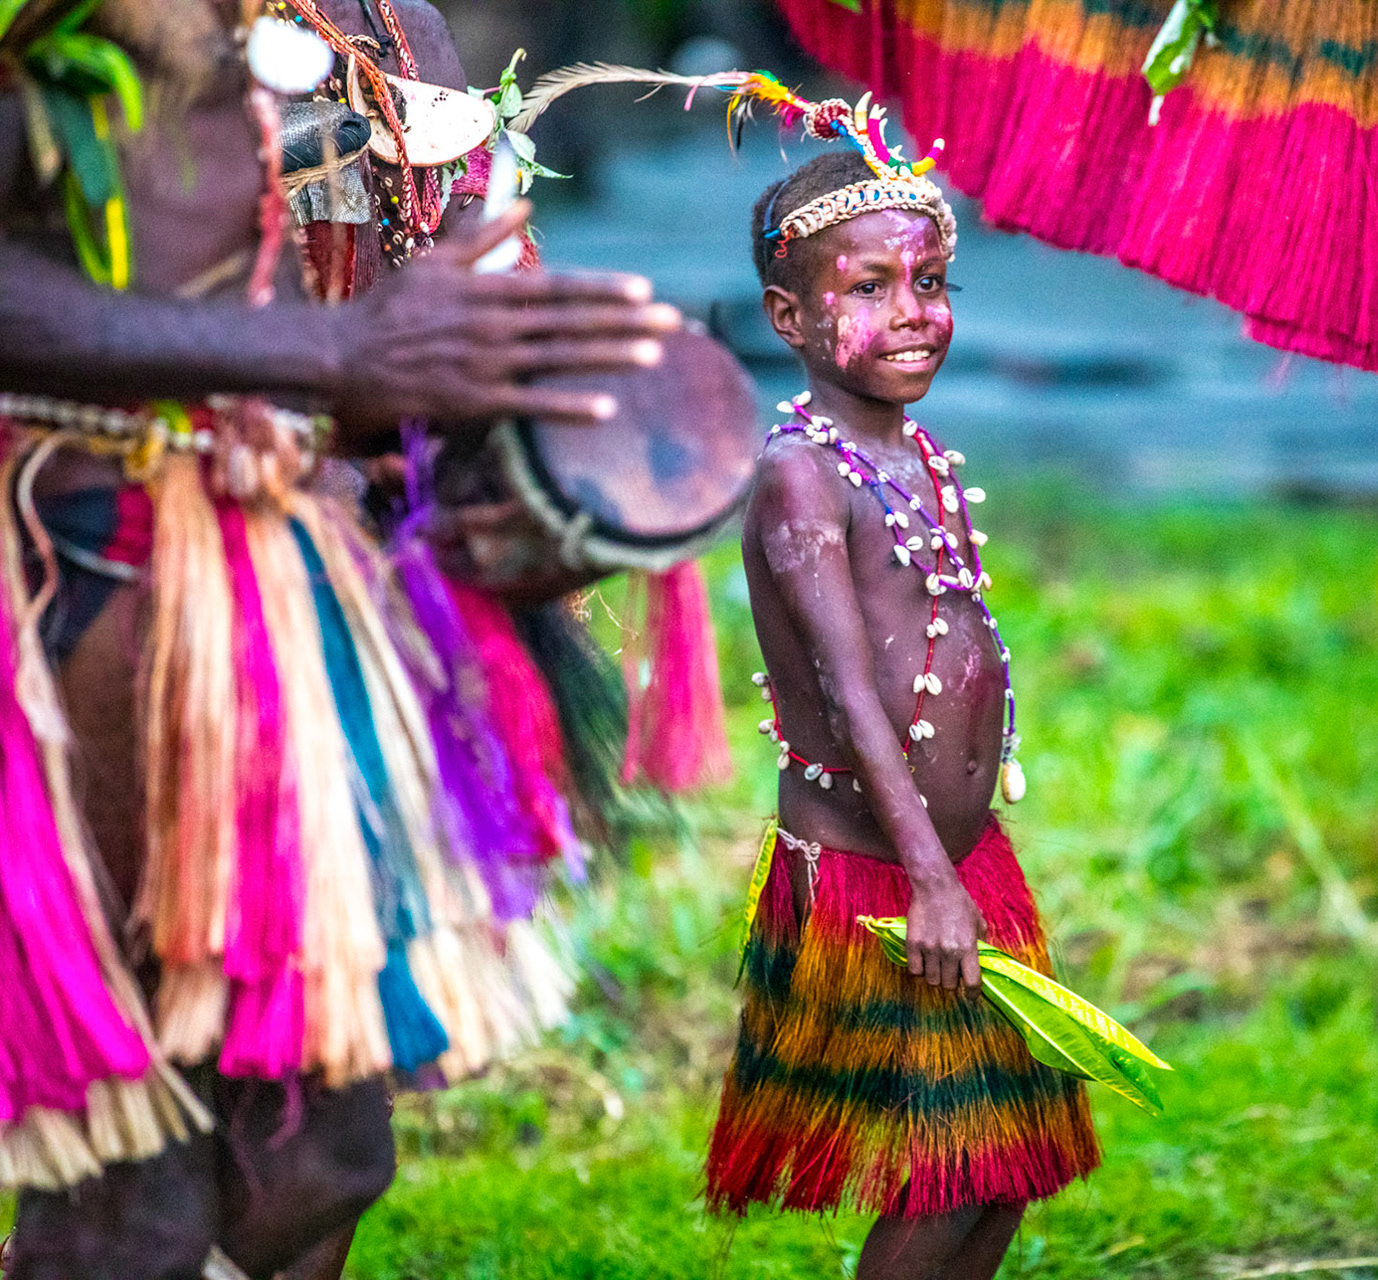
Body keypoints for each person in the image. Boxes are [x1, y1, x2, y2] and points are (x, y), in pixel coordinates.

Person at [0, 3, 677, 1277]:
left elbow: (417, 310)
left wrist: (496, 473)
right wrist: (329, 350)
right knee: (137, 1201)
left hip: (281, 569)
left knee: (322, 1158)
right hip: (83, 585)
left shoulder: (391, 27)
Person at [704, 136, 1100, 1280]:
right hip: (881, 874)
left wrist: (954, 867)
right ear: (789, 316)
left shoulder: (917, 453)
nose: (914, 312)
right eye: (870, 288)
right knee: (955, 1169)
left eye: (929, 281)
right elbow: (847, 691)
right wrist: (928, 878)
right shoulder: (801, 472)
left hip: (958, 862)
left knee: (1008, 1160)